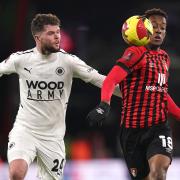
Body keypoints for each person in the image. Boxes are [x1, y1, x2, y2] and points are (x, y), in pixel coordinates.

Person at [0, 13, 121, 180]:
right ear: (38, 37)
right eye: (51, 33)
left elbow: (100, 80)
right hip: (25, 131)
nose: (57, 36)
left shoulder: (68, 61)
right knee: (16, 173)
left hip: (53, 137)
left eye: (58, 31)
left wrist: (131, 94)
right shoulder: (21, 59)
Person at [87, 8, 180, 180]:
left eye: (163, 27)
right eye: (154, 26)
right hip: (132, 132)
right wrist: (104, 105)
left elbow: (161, 94)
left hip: (159, 128)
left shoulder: (164, 58)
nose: (159, 30)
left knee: (159, 172)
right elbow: (110, 80)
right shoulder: (136, 53)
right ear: (144, 29)